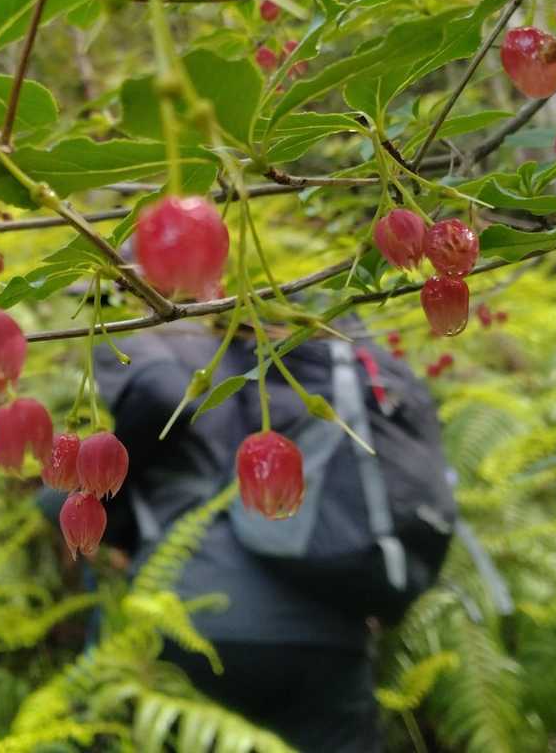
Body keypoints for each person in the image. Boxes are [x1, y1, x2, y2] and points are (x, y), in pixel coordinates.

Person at [90, 317, 457, 753]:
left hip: (199, 615)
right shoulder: (301, 350)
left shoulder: (150, 341)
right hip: (330, 626)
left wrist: (96, 501)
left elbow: (160, 394)